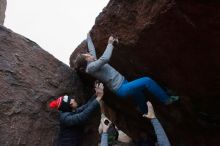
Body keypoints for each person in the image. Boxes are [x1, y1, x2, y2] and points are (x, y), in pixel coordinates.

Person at [74, 33, 179, 114]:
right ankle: (166, 100)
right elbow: (105, 58)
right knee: (147, 81)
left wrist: (88, 37)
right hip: (121, 88)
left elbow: (92, 50)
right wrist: (110, 43)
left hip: (123, 83)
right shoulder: (91, 67)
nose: (88, 53)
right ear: (86, 60)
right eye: (86, 55)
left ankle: (143, 111)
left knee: (139, 94)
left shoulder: (92, 62)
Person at [100, 101, 171, 146]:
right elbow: (164, 143)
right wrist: (154, 119)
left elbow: (164, 143)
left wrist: (105, 132)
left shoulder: (147, 140)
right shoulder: (144, 141)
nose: (143, 135)